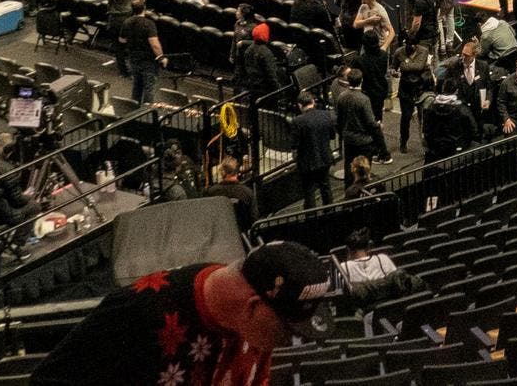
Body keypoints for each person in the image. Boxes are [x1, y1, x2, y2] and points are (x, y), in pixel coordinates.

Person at [30, 241, 332, 386]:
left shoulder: (252, 324)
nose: (287, 341)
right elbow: (47, 382)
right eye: (285, 331)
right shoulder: (140, 311)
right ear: (252, 305)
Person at [333, 69, 391, 169]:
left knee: (349, 166)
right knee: (364, 168)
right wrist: (378, 125)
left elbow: (339, 118)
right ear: (361, 81)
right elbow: (370, 122)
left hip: (348, 138)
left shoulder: (341, 96)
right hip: (363, 140)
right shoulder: (363, 99)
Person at [290, 91, 336, 208]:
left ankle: (311, 216)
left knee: (309, 191)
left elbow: (294, 144)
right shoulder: (326, 115)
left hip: (307, 162)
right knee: (326, 187)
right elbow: (332, 136)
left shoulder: (297, 121)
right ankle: (330, 212)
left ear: (300, 105)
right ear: (313, 102)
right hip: (325, 157)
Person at [120, 0, 166, 107]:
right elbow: (154, 44)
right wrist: (161, 57)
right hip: (148, 60)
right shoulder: (149, 24)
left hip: (133, 57)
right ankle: (147, 111)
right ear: (144, 8)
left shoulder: (127, 22)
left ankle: (134, 109)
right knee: (149, 87)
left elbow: (122, 40)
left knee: (137, 85)